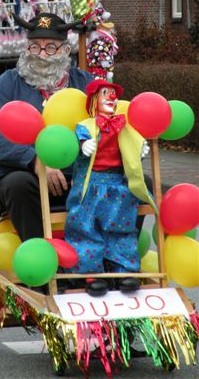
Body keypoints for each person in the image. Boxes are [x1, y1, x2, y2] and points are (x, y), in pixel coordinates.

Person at [0, 12, 93, 241]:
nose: (41, 54)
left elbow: (110, 124)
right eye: (34, 47)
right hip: (22, 177)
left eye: (50, 47)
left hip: (79, 179)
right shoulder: (8, 83)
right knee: (18, 184)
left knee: (136, 184)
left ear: (65, 51)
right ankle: (41, 266)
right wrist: (35, 160)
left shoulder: (86, 84)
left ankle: (112, 262)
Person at [64, 79, 155, 296]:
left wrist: (140, 147)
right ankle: (91, 274)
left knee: (121, 228)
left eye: (113, 94)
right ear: (94, 100)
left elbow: (134, 141)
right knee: (85, 228)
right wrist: (82, 143)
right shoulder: (85, 126)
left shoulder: (122, 125)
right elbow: (74, 142)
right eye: (106, 93)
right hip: (90, 186)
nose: (111, 98)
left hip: (116, 186)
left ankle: (123, 271)